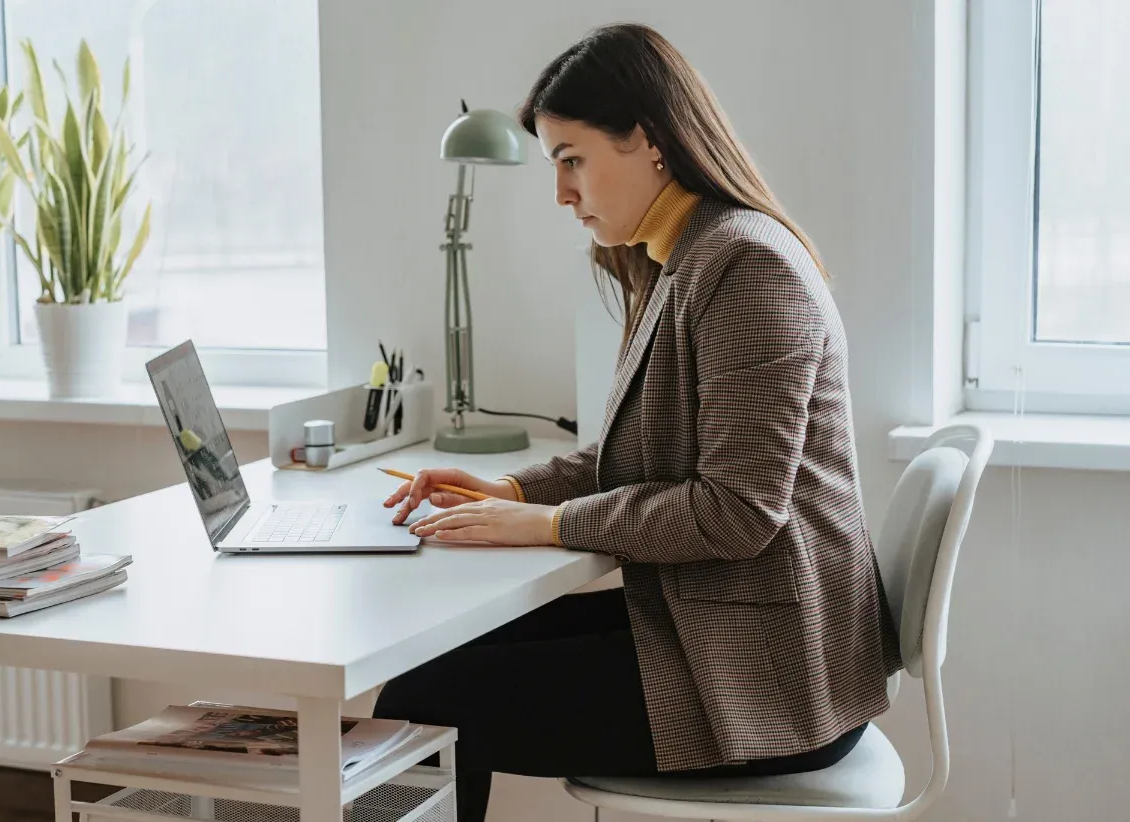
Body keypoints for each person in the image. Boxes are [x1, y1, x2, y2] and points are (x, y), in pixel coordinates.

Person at [375, 22, 903, 822]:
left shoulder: (745, 265)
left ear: (649, 142)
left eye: (571, 159)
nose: (561, 193)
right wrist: (511, 487)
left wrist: (549, 524)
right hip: (718, 627)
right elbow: (637, 453)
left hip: (771, 675)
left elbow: (735, 513)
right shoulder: (681, 257)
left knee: (425, 703)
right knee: (433, 667)